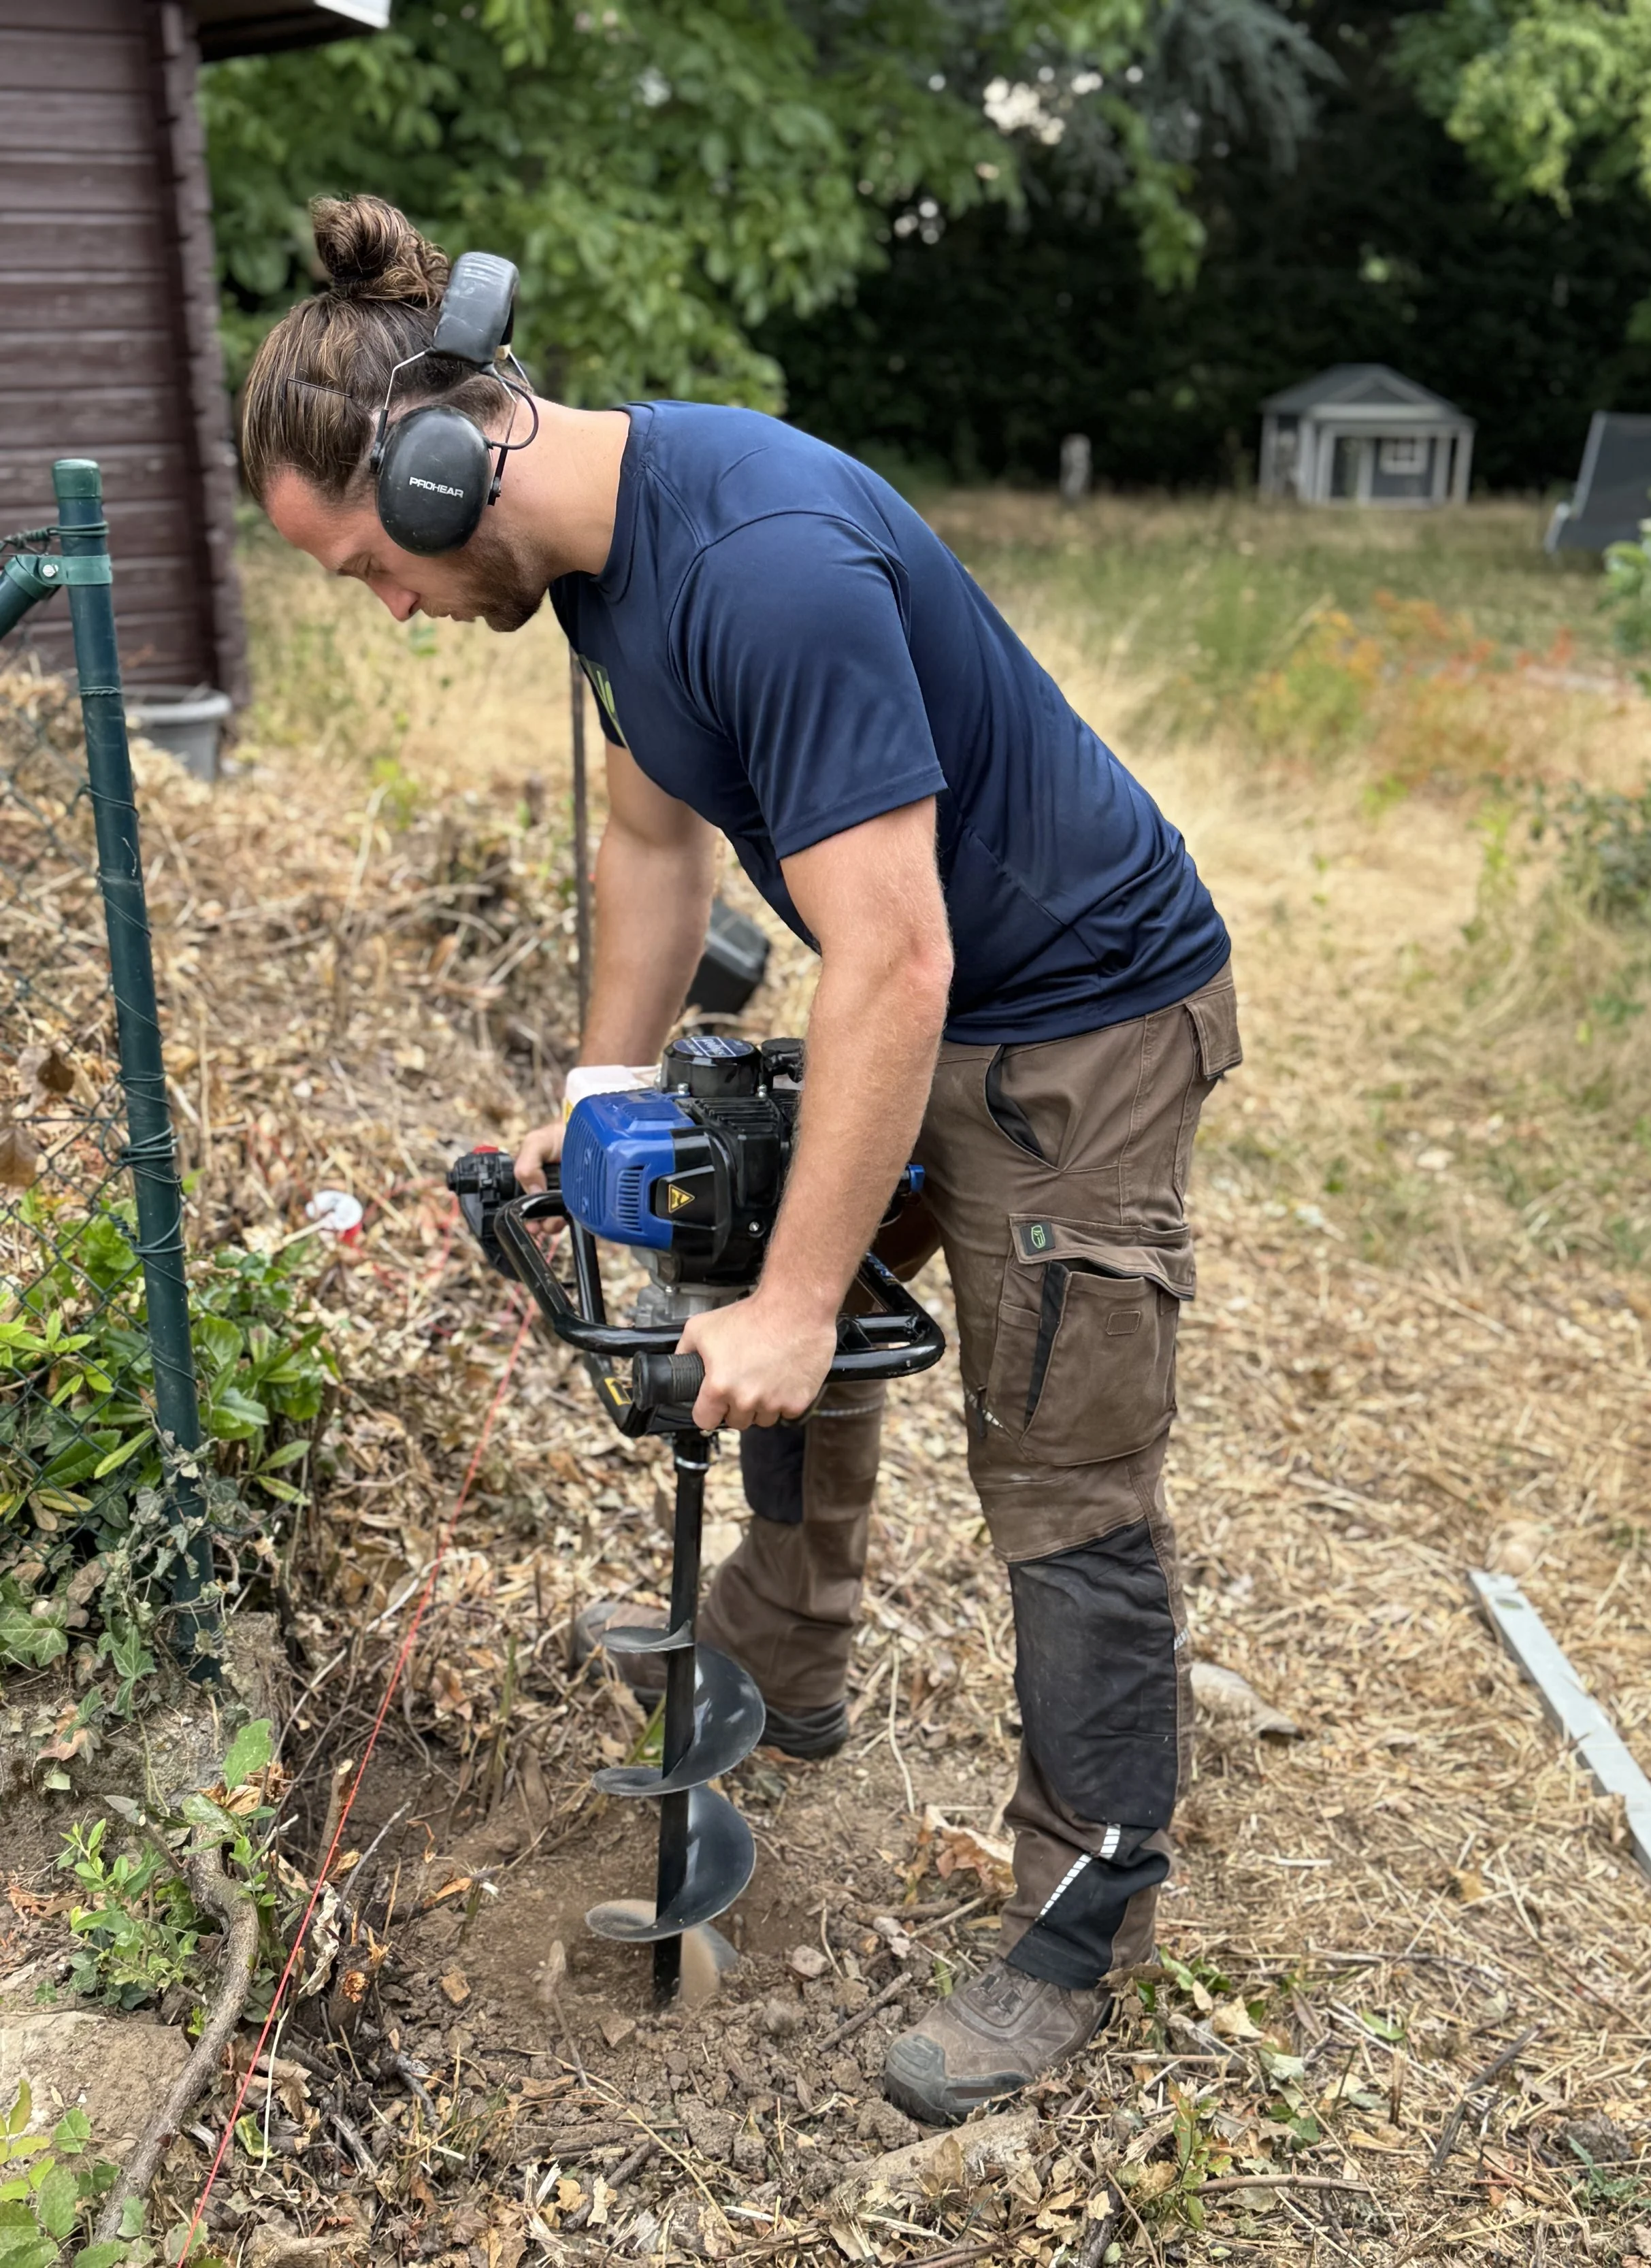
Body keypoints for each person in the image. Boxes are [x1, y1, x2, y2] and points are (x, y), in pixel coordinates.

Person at [241, 193, 1241, 2126]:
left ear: (447, 471)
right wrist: (604, 1091)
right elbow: (651, 836)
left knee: (1060, 1470)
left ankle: (1081, 1914)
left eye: (368, 565)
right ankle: (780, 1659)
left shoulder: (760, 562)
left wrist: (799, 1300)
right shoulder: (615, 561)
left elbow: (895, 954)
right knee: (738, 1192)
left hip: (1080, 1017)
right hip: (941, 986)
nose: (383, 605)